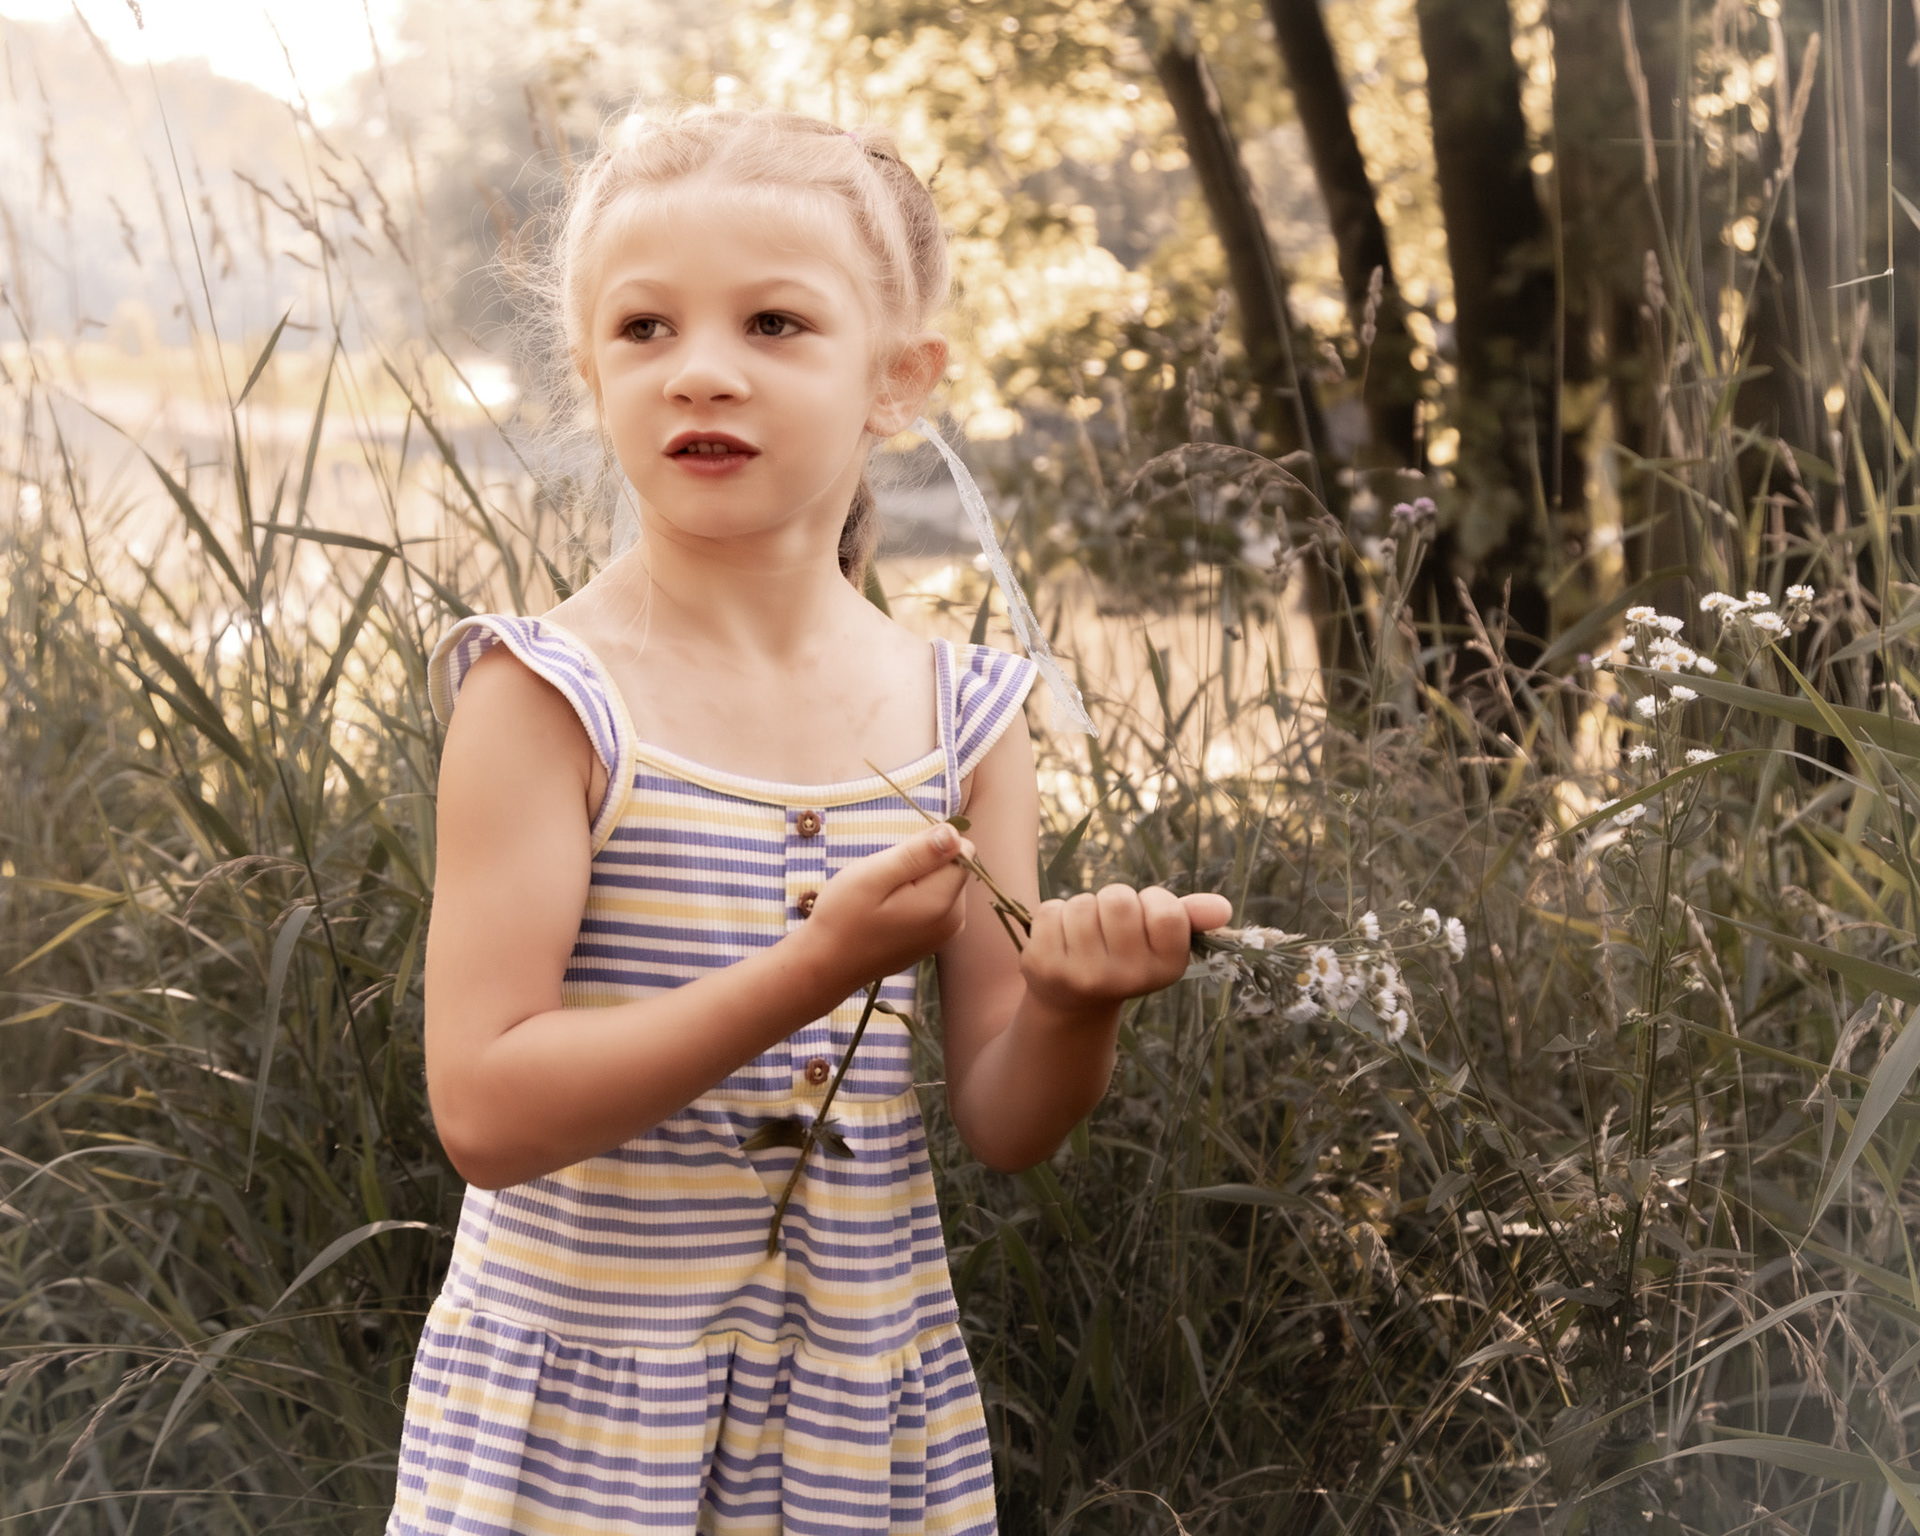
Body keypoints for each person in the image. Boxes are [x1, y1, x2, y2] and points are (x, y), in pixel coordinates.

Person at [388, 104, 1231, 1536]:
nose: (701, 370)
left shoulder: (966, 715)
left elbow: (1004, 1119)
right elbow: (485, 1112)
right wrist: (814, 970)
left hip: (847, 1423)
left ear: (897, 380)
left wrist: (1073, 1007)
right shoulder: (546, 696)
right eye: (645, 328)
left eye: (774, 323)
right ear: (592, 371)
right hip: (582, 1436)